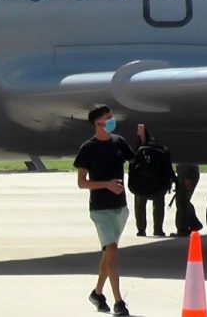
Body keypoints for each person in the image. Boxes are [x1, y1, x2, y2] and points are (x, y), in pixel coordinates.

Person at [74, 104, 143, 317]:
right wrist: (106, 184)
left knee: (108, 254)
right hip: (100, 209)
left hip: (120, 208)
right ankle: (119, 302)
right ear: (98, 123)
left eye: (112, 116)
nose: (112, 120)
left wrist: (142, 139)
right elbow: (82, 183)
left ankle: (97, 293)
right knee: (112, 251)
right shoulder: (87, 148)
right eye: (108, 117)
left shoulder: (119, 142)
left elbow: (136, 159)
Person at [172, 164, 204, 237]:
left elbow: (187, 160)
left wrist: (187, 177)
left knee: (182, 202)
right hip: (185, 174)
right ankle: (194, 224)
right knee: (183, 201)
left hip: (188, 175)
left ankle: (183, 229)